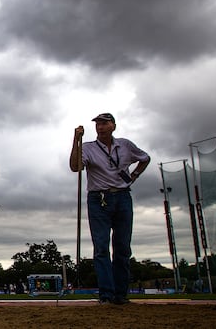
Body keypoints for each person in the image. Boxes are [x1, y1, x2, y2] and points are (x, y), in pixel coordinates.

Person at [70, 113, 150, 305]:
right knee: (101, 247)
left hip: (122, 196)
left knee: (122, 247)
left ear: (113, 125)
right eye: (98, 124)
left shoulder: (125, 145)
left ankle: (120, 295)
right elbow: (75, 167)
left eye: (104, 123)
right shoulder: (88, 147)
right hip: (99, 198)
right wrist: (76, 140)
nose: (100, 127)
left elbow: (145, 158)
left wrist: (135, 175)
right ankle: (106, 294)